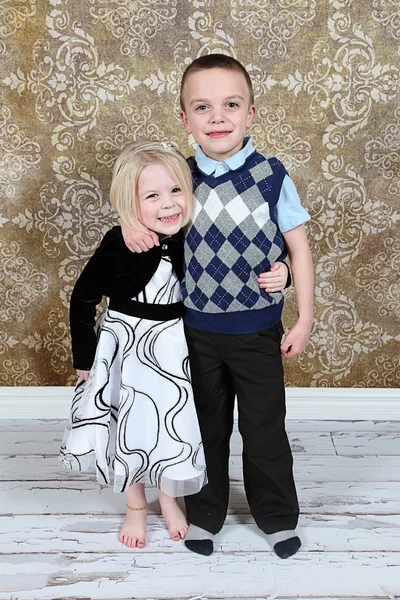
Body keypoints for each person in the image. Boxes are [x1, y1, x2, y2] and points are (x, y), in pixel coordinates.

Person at [121, 54, 314, 559]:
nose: (217, 117)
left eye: (231, 105)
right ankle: (203, 514)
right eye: (202, 107)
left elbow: (298, 247)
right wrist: (128, 224)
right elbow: (145, 207)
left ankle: (275, 516)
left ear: (251, 113)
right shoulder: (181, 178)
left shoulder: (272, 177)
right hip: (195, 331)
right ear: (185, 120)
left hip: (257, 330)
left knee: (264, 426)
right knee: (205, 426)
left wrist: (303, 310)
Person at [60, 141, 207, 550]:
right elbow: (83, 298)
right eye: (152, 196)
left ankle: (169, 495)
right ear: (131, 204)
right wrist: (86, 356)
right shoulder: (119, 242)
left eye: (176, 190)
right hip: (125, 345)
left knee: (171, 423)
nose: (168, 204)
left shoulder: (190, 236)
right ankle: (136, 504)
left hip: (172, 346)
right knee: (127, 425)